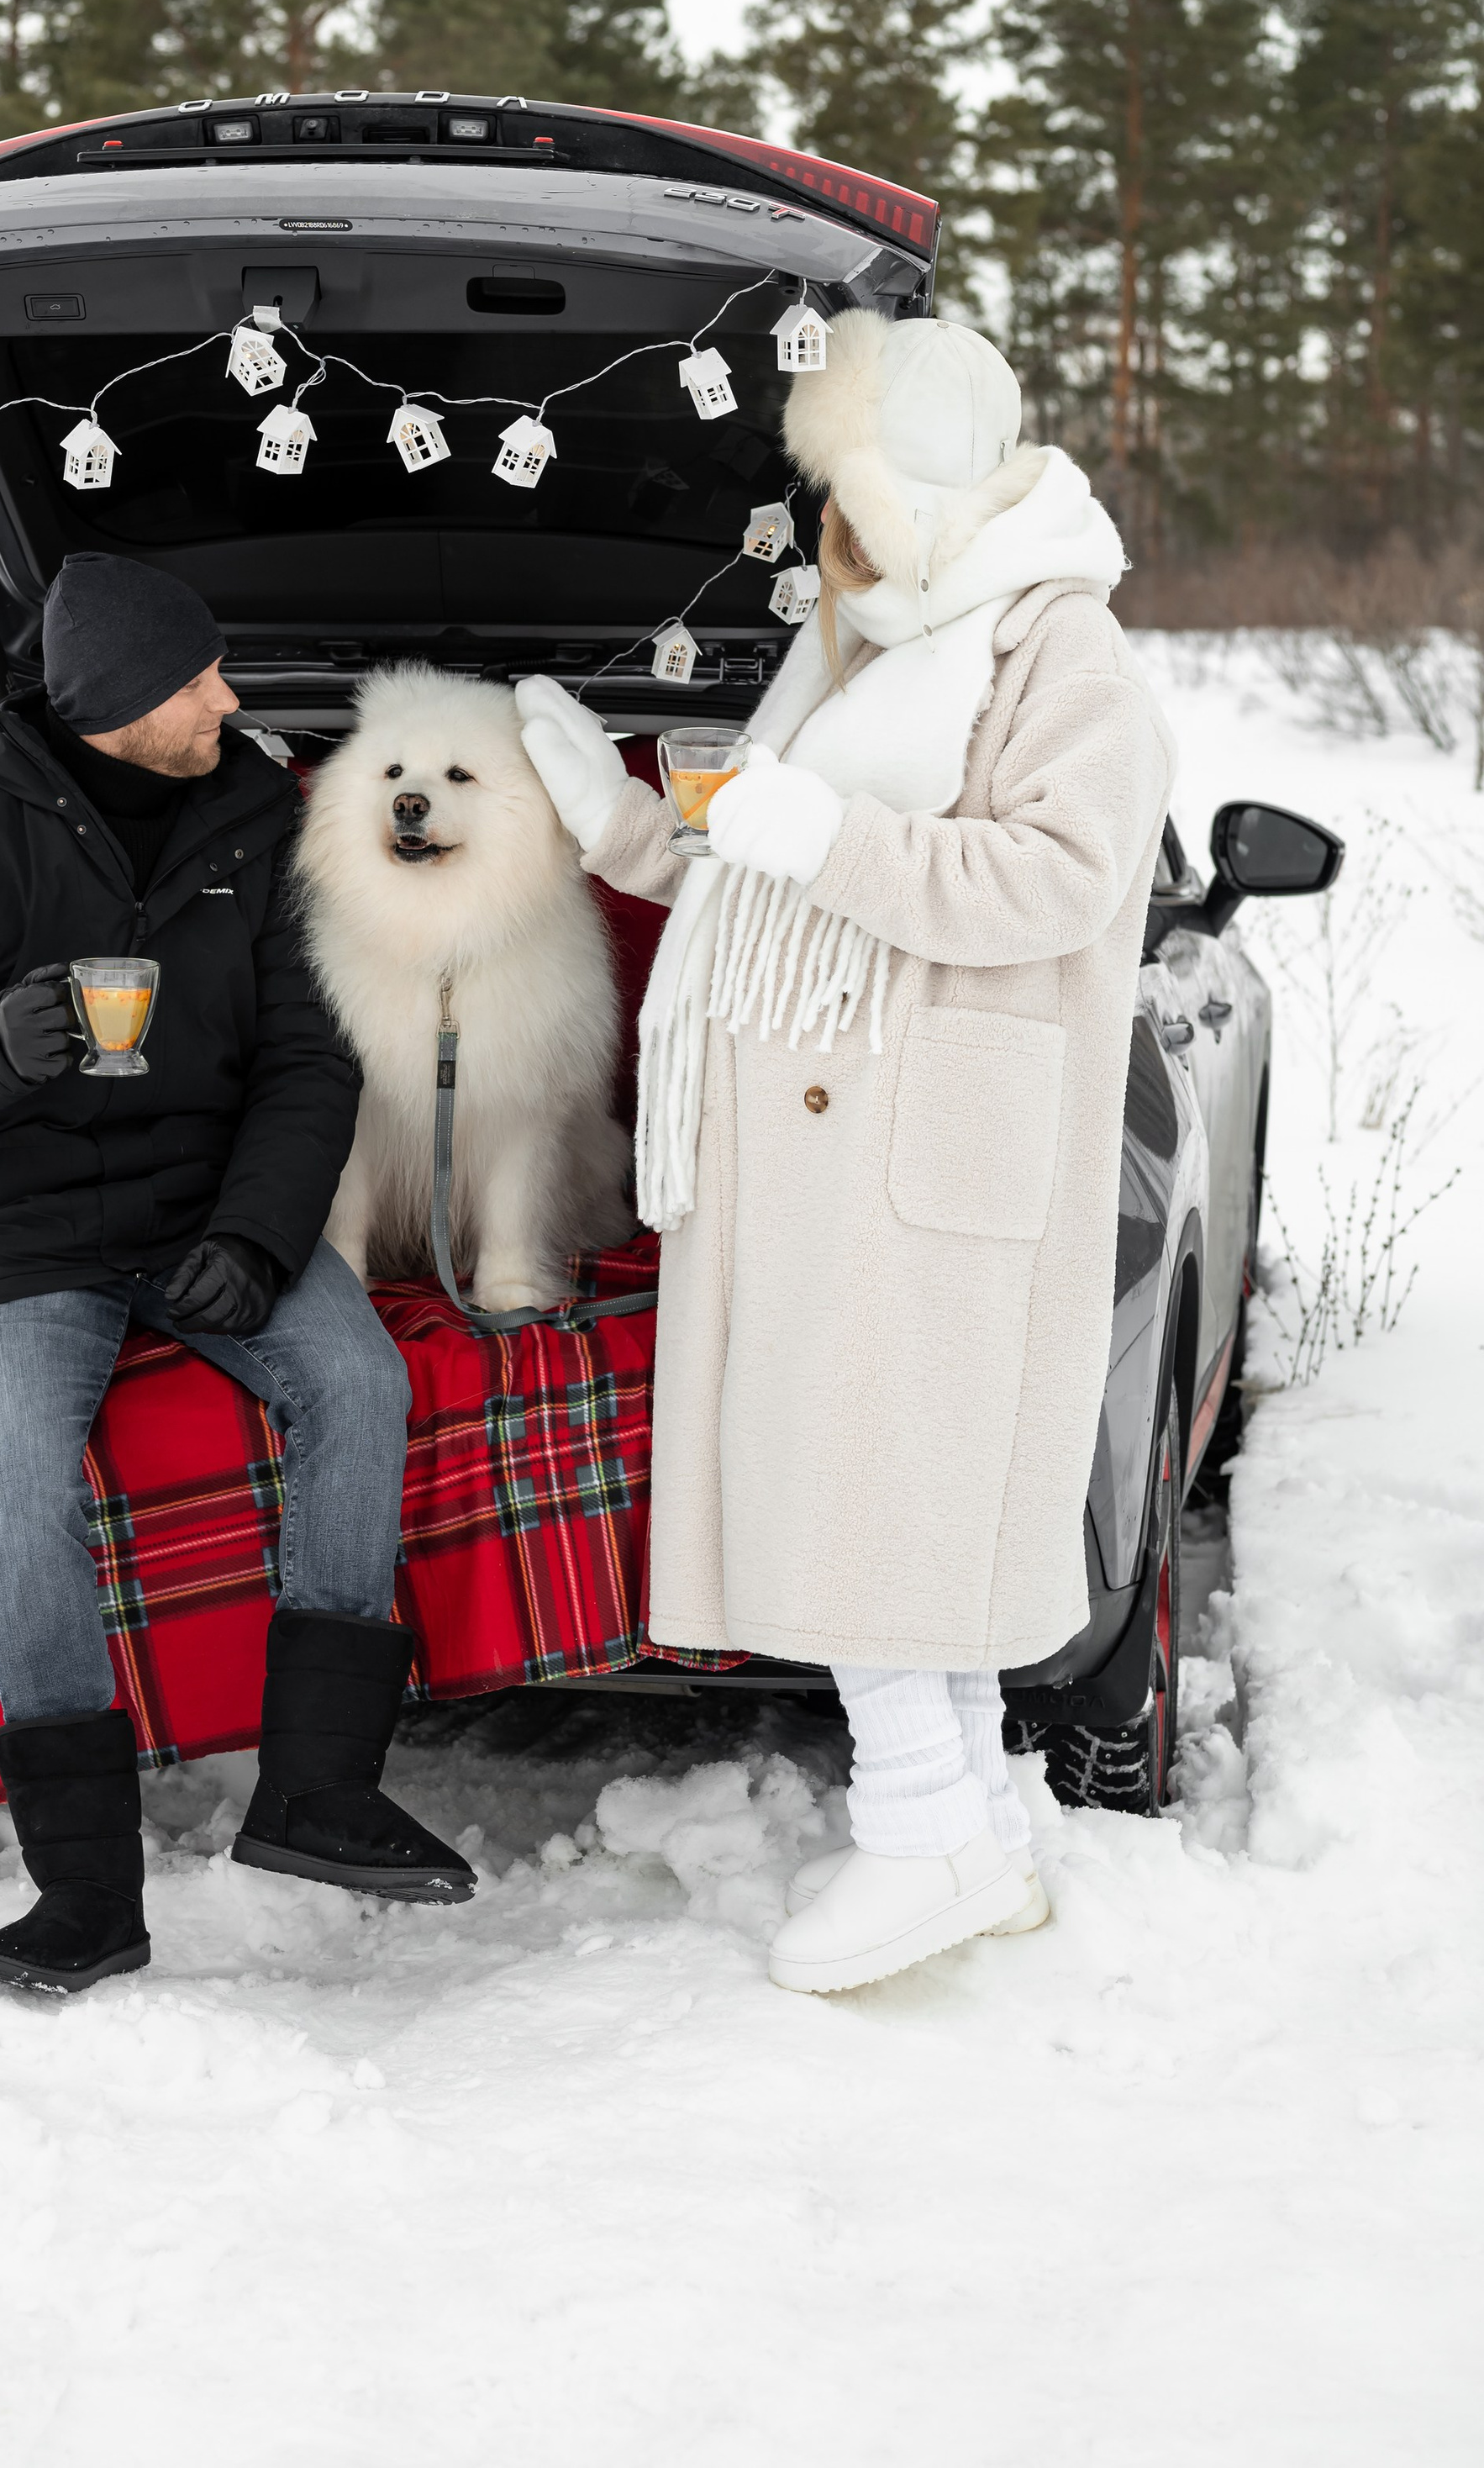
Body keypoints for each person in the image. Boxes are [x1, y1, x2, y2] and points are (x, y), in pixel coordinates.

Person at [518, 314, 1175, 1996]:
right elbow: (766, 875)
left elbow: (1055, 879)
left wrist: (810, 827)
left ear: (932, 487)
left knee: (891, 1503)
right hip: (819, 1156)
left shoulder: (1055, 651)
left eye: (852, 497)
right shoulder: (867, 644)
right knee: (872, 1497)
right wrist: (620, 822)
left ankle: (918, 1838)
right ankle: (970, 1839)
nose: (827, 535)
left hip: (927, 1156)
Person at [0, 551, 471, 1996]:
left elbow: (312, 1055)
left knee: (359, 1379)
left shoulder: (251, 808)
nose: (227, 699)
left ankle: (316, 1792)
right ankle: (87, 1891)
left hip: (204, 1208)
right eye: (195, 682)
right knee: (17, 1485)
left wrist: (254, 1233)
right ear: (114, 704)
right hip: (24, 1228)